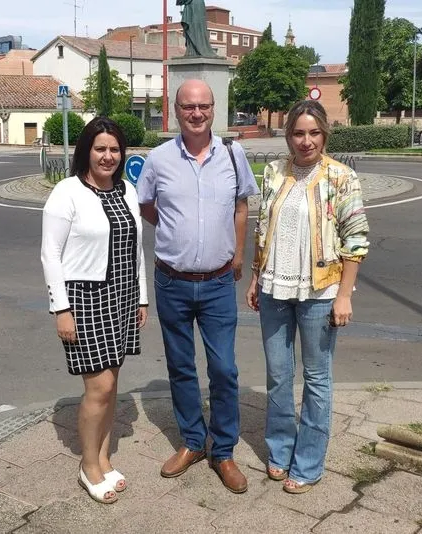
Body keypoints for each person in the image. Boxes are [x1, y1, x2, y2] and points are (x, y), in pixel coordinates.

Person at [137, 79, 259, 494]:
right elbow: (148, 206)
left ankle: (223, 450)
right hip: (171, 280)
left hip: (219, 282)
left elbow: (242, 205)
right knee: (181, 366)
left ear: (213, 109)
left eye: (203, 106)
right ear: (175, 110)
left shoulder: (232, 153)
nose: (196, 114)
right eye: (188, 107)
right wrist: (178, 235)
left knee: (224, 368)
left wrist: (238, 253)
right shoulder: (158, 159)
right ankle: (193, 442)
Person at [245, 100, 369, 494]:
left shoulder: (342, 177)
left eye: (313, 133)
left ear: (325, 134)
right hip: (273, 289)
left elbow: (356, 240)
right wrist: (254, 277)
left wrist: (344, 296)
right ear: (288, 136)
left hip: (321, 292)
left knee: (317, 379)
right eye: (298, 133)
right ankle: (280, 451)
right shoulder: (274, 172)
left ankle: (309, 462)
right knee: (278, 376)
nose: (306, 140)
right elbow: (263, 227)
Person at [41, 117, 149, 504]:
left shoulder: (127, 191)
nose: (108, 156)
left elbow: (135, 248)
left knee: (112, 382)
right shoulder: (67, 192)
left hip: (121, 296)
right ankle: (89, 466)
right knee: (98, 386)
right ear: (86, 150)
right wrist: (61, 308)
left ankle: (104, 456)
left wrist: (141, 296)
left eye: (115, 149)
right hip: (84, 297)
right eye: (100, 148)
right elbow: (50, 254)